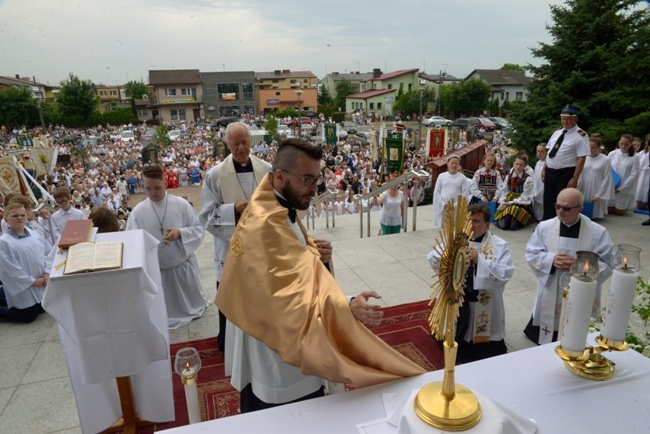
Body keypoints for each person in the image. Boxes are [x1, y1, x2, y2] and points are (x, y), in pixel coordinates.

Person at [216, 138, 425, 413]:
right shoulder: (264, 224)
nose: (315, 189)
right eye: (308, 180)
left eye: (317, 179)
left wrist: (312, 249)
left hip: (271, 326)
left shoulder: (270, 201)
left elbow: (286, 260)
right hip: (276, 347)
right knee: (295, 418)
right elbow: (287, 298)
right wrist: (347, 305)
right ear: (280, 176)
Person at [199, 122, 272, 351]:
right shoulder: (215, 176)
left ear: (251, 142)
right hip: (231, 249)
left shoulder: (267, 170)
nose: (241, 148)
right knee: (232, 301)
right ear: (227, 144)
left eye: (244, 142)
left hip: (261, 247)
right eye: (235, 143)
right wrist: (233, 209)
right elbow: (206, 217)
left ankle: (263, 339)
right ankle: (230, 345)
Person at [523, 188, 614, 345]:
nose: (560, 211)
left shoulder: (598, 232)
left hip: (580, 285)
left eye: (566, 208)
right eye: (557, 206)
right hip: (552, 283)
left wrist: (580, 265)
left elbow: (608, 262)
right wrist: (551, 260)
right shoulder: (544, 227)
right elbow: (531, 253)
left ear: (580, 209)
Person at [428, 204, 514, 363]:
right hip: (458, 294)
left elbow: (506, 273)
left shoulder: (500, 245)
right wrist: (451, 255)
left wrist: (480, 261)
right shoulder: (455, 239)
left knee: (486, 347)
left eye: (476, 221)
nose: (470, 224)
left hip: (482, 298)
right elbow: (433, 257)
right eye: (468, 220)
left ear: (487, 225)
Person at [126, 165, 206, 329]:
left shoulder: (181, 204)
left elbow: (198, 228)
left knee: (191, 307)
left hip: (181, 264)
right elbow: (132, 240)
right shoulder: (138, 212)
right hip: (158, 269)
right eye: (148, 189)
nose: (153, 193)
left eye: (157, 187)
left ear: (165, 183)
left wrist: (180, 232)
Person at [0, 202, 53, 323]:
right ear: (6, 219)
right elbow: (10, 269)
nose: (19, 218)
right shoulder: (4, 242)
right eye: (15, 216)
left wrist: (47, 273)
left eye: (22, 215)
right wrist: (33, 281)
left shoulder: (34, 234)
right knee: (29, 317)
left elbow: (47, 254)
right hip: (24, 286)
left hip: (41, 282)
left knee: (44, 308)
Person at [542, 105, 590, 221]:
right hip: (550, 172)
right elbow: (549, 152)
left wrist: (575, 177)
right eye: (563, 118)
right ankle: (546, 225)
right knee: (548, 201)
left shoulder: (581, 135)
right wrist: (544, 168)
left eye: (568, 119)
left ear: (575, 119)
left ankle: (561, 224)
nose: (565, 121)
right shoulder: (557, 133)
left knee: (563, 203)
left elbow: (581, 158)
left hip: (565, 174)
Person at [493, 156, 534, 230]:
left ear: (524, 166)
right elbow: (504, 192)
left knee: (513, 213)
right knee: (503, 223)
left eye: (521, 165)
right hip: (509, 200)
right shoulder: (508, 177)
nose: (518, 167)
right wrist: (502, 201)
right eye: (517, 164)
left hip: (522, 203)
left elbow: (525, 197)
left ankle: (519, 220)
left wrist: (510, 203)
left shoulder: (528, 179)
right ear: (513, 164)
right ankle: (508, 221)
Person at [580, 134, 614, 220]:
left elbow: (607, 178)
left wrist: (599, 194)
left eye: (593, 147)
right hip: (583, 187)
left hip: (596, 187)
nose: (590, 150)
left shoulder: (605, 160)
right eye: (589, 147)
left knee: (593, 215)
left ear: (598, 147)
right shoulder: (583, 158)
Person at [432, 155, 469, 228]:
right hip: (444, 207)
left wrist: (455, 205)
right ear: (448, 164)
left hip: (456, 208)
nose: (454, 165)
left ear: (459, 165)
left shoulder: (463, 178)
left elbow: (465, 194)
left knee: (454, 228)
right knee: (443, 228)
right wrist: (442, 204)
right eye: (452, 163)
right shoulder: (441, 176)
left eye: (456, 163)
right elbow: (437, 192)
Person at [608, 134, 639, 215]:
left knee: (619, 212)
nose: (623, 146)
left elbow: (634, 174)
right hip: (613, 185)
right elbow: (607, 169)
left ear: (630, 144)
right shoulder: (612, 154)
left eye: (626, 144)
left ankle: (624, 207)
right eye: (622, 143)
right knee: (609, 210)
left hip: (625, 187)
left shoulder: (635, 156)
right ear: (619, 143)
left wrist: (621, 188)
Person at [532, 143, 547, 221]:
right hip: (536, 189)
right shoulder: (538, 163)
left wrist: (539, 193)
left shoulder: (547, 164)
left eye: (542, 151)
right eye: (538, 151)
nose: (539, 153)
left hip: (542, 190)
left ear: (546, 152)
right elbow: (535, 178)